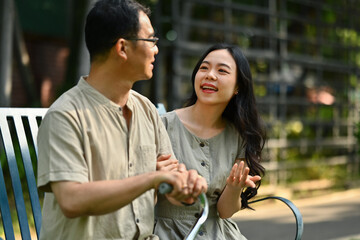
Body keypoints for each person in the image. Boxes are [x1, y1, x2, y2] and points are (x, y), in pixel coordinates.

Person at [37, 0, 207, 239]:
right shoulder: (65, 116)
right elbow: (71, 200)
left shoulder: (146, 110)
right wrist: (152, 178)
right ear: (123, 48)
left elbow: (167, 184)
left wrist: (184, 189)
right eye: (151, 40)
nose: (156, 49)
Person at [154, 43, 266, 239]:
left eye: (222, 70)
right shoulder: (161, 125)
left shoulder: (239, 136)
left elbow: (225, 212)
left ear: (238, 86)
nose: (210, 75)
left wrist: (233, 188)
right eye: (204, 68)